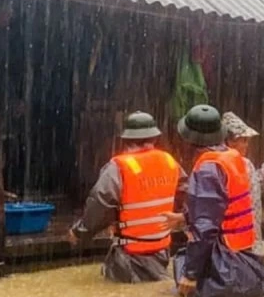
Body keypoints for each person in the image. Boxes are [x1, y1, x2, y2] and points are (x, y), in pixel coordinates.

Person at [70, 112, 182, 283]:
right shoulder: (169, 161)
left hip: (130, 255)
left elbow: (100, 203)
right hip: (162, 251)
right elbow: (190, 195)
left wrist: (80, 232)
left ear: (126, 139)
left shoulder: (119, 167)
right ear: (154, 137)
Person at [171, 104, 264, 297]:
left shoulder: (207, 168)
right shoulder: (233, 158)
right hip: (244, 255)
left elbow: (205, 226)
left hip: (223, 258)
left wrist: (190, 274)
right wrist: (186, 217)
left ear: (191, 140)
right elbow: (222, 206)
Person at [221, 111, 264, 255]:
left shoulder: (245, 164)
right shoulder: (221, 167)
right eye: (244, 140)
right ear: (231, 141)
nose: (247, 145)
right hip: (232, 242)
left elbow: (257, 183)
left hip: (251, 238)